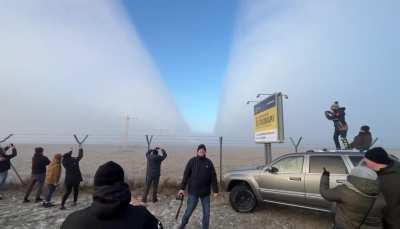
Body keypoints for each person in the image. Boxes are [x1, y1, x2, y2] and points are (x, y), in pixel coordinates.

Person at [61, 161, 163, 229]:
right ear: (123, 185)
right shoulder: (142, 217)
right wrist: (137, 211)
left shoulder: (73, 221)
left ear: (96, 187)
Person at [177, 144, 219, 229]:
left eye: (203, 150)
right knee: (188, 211)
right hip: (193, 192)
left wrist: (215, 190)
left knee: (207, 213)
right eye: (200, 150)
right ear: (197, 151)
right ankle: (182, 225)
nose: (201, 151)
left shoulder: (209, 162)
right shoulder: (192, 161)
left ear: (205, 152)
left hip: (205, 193)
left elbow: (213, 177)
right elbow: (186, 175)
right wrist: (182, 188)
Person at [363, 147, 400, 229]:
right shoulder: (393, 167)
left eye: (366, 161)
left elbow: (389, 208)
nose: (365, 163)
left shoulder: (388, 181)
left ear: (374, 161)